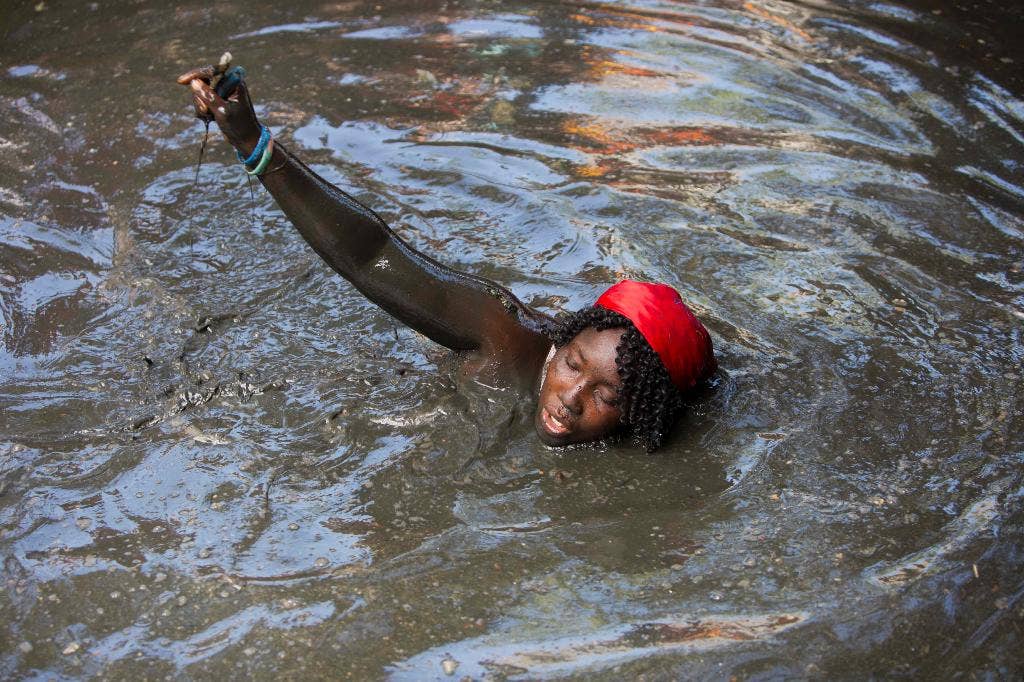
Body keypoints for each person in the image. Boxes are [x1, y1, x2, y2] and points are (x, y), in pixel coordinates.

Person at [176, 64, 717, 451]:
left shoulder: (649, 429)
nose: (571, 398)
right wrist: (253, 142)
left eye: (607, 396)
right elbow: (373, 255)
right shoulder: (506, 337)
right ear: (563, 342)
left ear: (641, 413)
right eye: (572, 365)